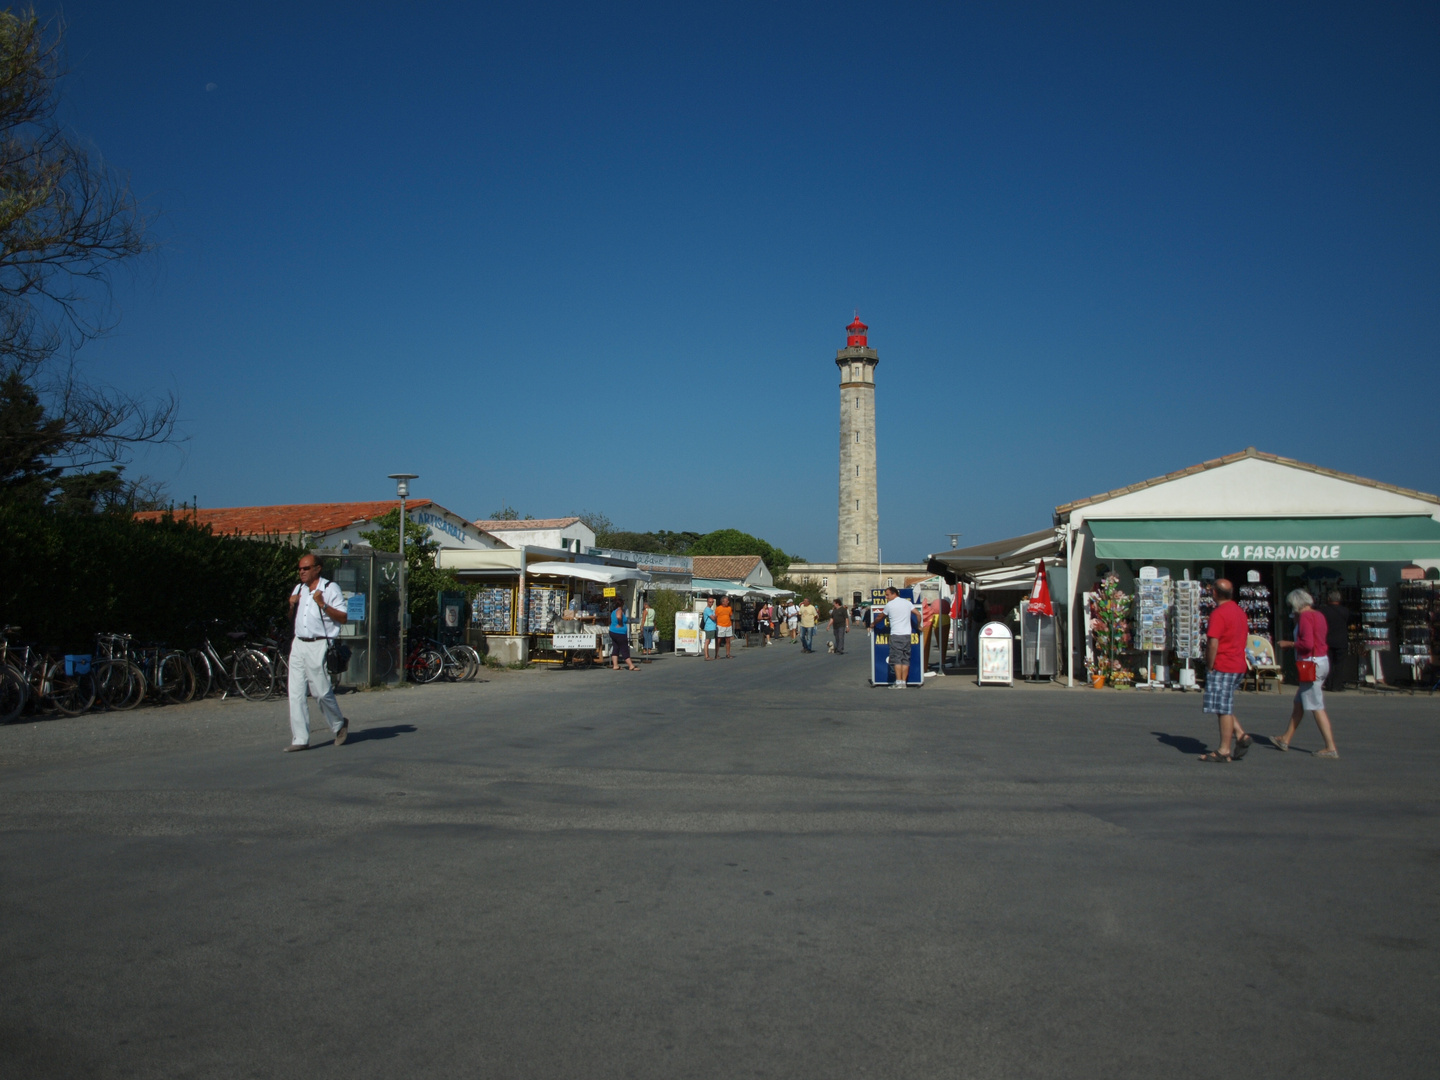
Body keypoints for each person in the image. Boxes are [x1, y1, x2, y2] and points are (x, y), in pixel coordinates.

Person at [285, 554, 349, 751]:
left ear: (317, 568)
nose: (301, 572)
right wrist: (291, 604)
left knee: (320, 692)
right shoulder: (299, 589)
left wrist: (322, 604)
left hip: (319, 643)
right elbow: (290, 617)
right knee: (295, 693)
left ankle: (339, 724)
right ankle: (300, 738)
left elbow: (344, 618)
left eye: (306, 568)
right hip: (299, 643)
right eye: (300, 569)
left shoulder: (330, 589)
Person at [1275, 589, 1339, 757]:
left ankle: (1330, 746)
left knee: (1316, 705)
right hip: (1321, 660)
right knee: (1299, 702)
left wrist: (1290, 644)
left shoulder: (1304, 617)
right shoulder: (1318, 615)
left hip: (1311, 662)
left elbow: (1307, 644)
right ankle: (1285, 738)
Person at [1199, 578, 1252, 762]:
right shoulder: (1239, 612)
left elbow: (1213, 642)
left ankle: (1224, 749)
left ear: (1215, 593)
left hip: (1224, 663)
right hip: (1237, 662)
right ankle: (1240, 734)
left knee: (1223, 707)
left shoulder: (1219, 613)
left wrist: (1210, 664)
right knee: (1223, 704)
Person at [882, 586, 918, 688]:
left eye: (887, 594)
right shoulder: (907, 603)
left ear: (894, 594)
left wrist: (873, 623)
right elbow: (918, 614)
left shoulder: (890, 605)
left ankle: (898, 682)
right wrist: (919, 625)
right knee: (905, 658)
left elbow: (881, 616)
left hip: (896, 634)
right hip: (907, 634)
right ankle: (903, 682)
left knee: (897, 659)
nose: (886, 597)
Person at [1319, 590, 1350, 691]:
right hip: (1341, 640)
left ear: (1329, 599)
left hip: (1327, 640)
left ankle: (1329, 684)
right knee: (1339, 665)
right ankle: (1337, 685)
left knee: (1329, 664)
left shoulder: (1323, 611)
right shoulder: (1345, 611)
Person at [609, 601, 637, 671]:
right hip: (620, 632)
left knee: (616, 648)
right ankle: (631, 665)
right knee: (624, 648)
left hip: (613, 631)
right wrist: (621, 624)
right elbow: (619, 616)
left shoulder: (613, 612)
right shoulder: (619, 610)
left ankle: (615, 665)